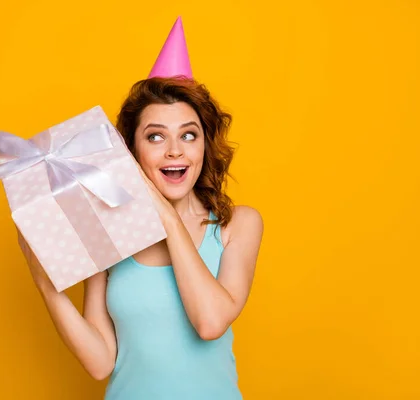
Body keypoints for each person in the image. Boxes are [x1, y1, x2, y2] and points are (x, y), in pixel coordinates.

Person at [17, 17, 264, 400]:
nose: (175, 151)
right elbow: (101, 361)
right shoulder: (108, 228)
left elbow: (210, 321)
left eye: (188, 134)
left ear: (204, 145)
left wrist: (163, 213)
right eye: (155, 137)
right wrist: (46, 286)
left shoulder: (237, 225)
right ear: (132, 151)